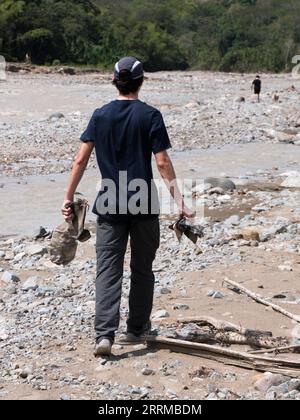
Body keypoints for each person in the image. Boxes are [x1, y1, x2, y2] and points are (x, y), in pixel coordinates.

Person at [61, 56, 194, 356]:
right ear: (141, 81)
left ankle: (104, 336)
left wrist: (67, 197)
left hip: (109, 202)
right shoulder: (150, 116)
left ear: (114, 81)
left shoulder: (100, 115)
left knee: (107, 270)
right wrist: (181, 202)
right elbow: (161, 162)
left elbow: (80, 160)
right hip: (144, 201)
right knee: (142, 269)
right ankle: (135, 329)